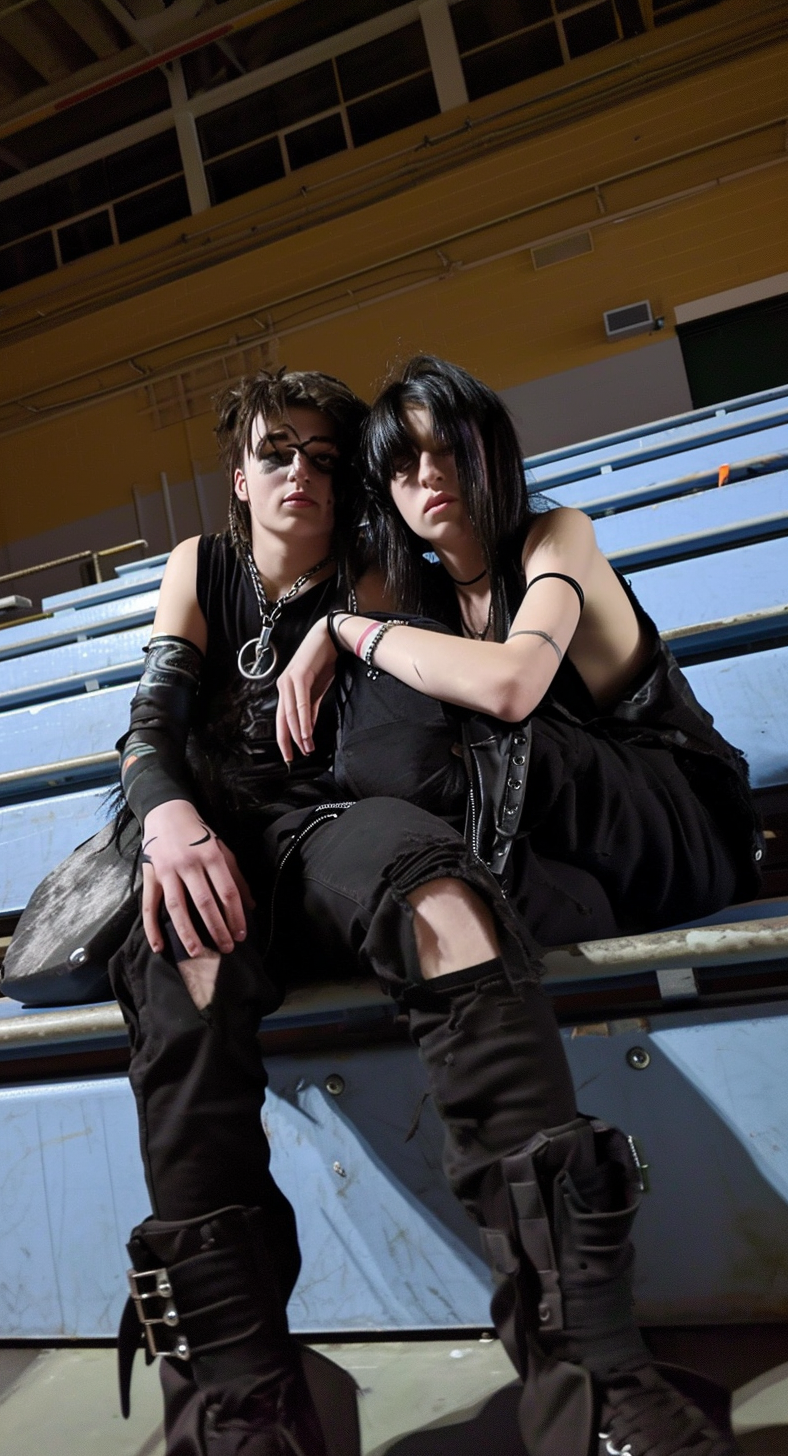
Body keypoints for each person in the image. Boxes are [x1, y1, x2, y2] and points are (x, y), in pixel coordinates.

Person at [274, 355, 762, 1456]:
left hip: (671, 820)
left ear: (493, 452)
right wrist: (337, 621)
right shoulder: (415, 587)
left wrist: (342, 631)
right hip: (555, 858)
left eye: (451, 450)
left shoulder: (559, 538)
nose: (431, 478)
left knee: (434, 725)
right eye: (405, 466)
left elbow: (509, 687)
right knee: (406, 765)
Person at [109, 367, 375, 1456]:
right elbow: (151, 721)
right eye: (278, 451)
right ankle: (242, 1384)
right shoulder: (202, 565)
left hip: (318, 854)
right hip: (205, 844)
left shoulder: (375, 567)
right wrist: (167, 816)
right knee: (177, 971)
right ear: (240, 474)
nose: (299, 472)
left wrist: (340, 625)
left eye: (322, 456)